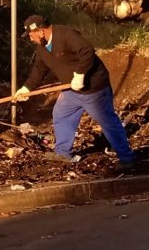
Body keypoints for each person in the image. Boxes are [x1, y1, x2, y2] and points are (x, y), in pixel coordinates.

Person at [14, 14, 135, 171]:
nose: (30, 39)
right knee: (61, 114)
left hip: (93, 88)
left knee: (107, 121)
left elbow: (87, 51)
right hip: (71, 89)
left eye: (31, 35)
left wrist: (79, 75)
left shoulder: (66, 35)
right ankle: (63, 153)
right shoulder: (42, 48)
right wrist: (27, 88)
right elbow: (39, 69)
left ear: (40, 31)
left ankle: (127, 158)